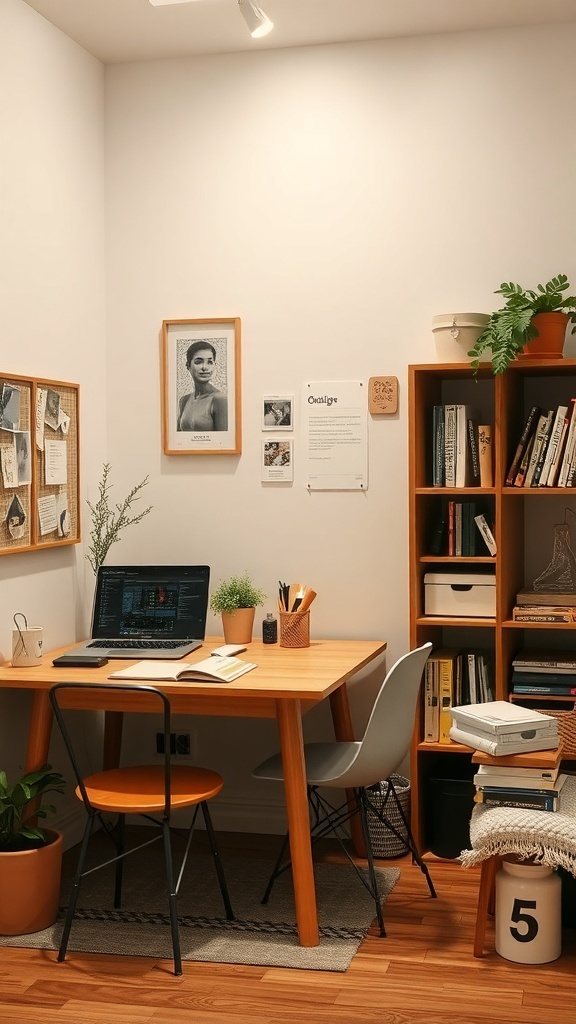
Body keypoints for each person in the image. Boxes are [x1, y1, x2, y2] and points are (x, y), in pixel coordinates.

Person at [177, 341, 228, 432]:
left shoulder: (220, 400)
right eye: (198, 362)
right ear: (188, 366)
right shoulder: (184, 400)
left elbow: (223, 441)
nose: (205, 367)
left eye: (209, 362)